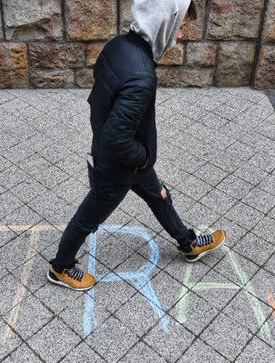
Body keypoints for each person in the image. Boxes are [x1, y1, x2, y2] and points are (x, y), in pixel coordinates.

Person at [47, 0, 226, 291]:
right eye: (179, 27)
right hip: (120, 162)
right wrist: (143, 158)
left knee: (159, 195)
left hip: (122, 154)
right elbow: (117, 137)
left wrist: (142, 160)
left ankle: (188, 243)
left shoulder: (118, 45)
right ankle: (61, 267)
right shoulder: (142, 75)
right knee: (88, 217)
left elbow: (100, 97)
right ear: (164, 23)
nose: (180, 36)